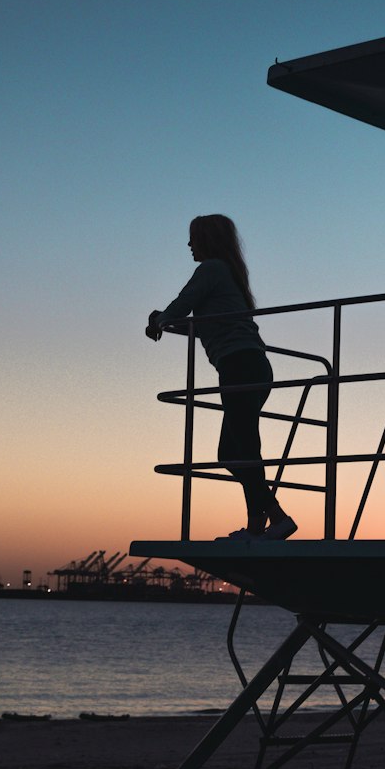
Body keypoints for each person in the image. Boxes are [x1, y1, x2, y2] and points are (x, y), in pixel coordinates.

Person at [146, 214, 297, 541]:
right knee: (238, 449)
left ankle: (276, 518)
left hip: (240, 365)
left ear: (207, 240)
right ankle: (262, 523)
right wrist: (167, 321)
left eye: (193, 238)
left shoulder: (211, 269)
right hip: (249, 364)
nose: (188, 245)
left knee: (237, 450)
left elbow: (183, 304)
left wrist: (159, 319)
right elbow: (205, 323)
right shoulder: (228, 275)